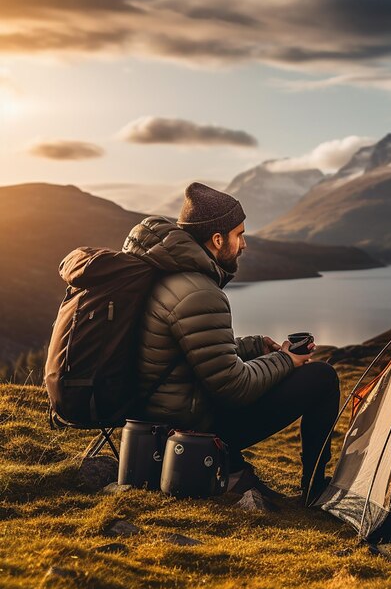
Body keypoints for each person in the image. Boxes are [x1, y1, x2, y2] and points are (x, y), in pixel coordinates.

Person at [123, 181, 338, 501]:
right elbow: (234, 387)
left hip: (159, 415)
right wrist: (286, 360)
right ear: (217, 238)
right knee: (320, 378)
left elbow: (187, 353)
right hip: (188, 427)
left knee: (294, 371)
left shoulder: (167, 272)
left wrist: (253, 347)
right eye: (239, 234)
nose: (244, 244)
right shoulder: (198, 291)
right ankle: (314, 488)